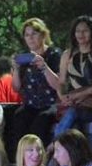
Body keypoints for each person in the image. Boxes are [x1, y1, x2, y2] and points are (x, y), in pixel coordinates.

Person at [5, 18, 62, 151]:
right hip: (30, 104)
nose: (30, 38)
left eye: (34, 34)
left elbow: (58, 85)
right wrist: (16, 69)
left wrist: (44, 67)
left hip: (51, 104)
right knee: (17, 118)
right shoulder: (24, 58)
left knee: (41, 121)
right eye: (27, 35)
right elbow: (16, 88)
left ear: (43, 35)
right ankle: (18, 158)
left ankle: (39, 155)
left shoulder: (54, 55)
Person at [55, 16, 92, 138]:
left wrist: (76, 96)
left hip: (90, 103)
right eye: (78, 31)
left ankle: (55, 143)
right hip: (70, 101)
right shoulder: (67, 54)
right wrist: (62, 96)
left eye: (85, 31)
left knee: (75, 114)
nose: (81, 34)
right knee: (74, 121)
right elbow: (61, 81)